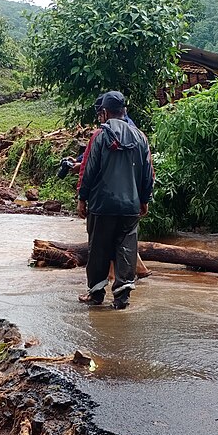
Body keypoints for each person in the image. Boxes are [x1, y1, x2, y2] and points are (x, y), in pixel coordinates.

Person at [77, 91, 154, 309]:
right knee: (127, 249)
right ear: (124, 111)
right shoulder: (140, 137)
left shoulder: (99, 136)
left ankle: (96, 294)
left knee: (99, 249)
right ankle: (122, 298)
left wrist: (82, 198)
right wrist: (144, 199)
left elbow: (89, 170)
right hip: (130, 206)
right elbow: (148, 173)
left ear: (104, 113)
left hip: (102, 205)